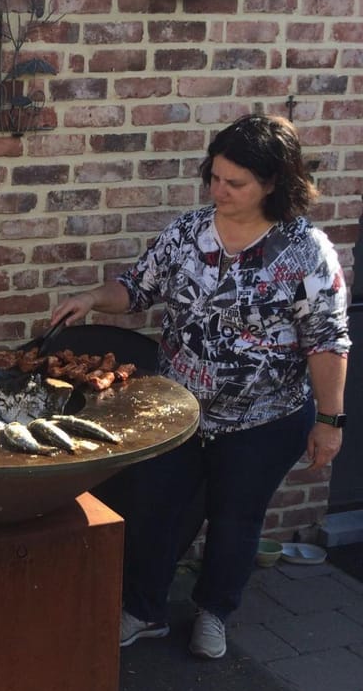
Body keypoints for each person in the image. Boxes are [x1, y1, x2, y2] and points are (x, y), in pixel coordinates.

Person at [50, 114, 350, 660]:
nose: (219, 190)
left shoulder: (307, 252)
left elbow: (327, 342)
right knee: (156, 509)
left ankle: (214, 613)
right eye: (213, 177)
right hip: (179, 410)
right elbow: (138, 288)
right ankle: (144, 611)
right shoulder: (188, 233)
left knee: (236, 520)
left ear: (273, 183)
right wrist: (94, 298)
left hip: (265, 418)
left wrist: (331, 422)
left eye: (234, 183)